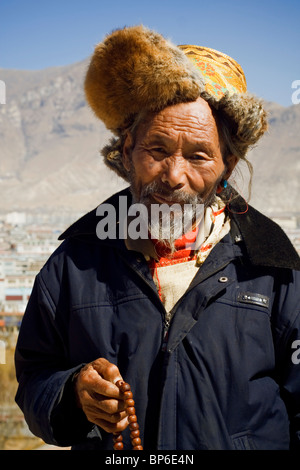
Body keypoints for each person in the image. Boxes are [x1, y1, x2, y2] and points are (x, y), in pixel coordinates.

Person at [15, 25, 300, 451]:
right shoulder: (75, 264)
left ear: (228, 164)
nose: (174, 176)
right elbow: (35, 377)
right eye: (157, 149)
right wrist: (73, 393)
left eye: (199, 155)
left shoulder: (274, 268)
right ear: (127, 151)